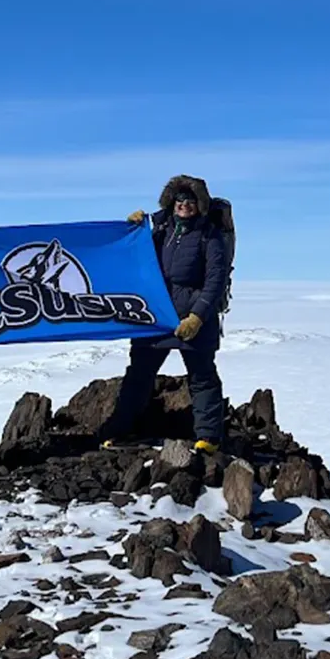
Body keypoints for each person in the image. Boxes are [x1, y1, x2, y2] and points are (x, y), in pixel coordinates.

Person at [100, 174, 228, 453]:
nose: (184, 204)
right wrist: (132, 228)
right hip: (155, 315)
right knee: (139, 375)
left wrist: (197, 317)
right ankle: (122, 431)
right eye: (179, 199)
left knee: (202, 377)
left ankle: (208, 438)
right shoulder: (158, 228)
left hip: (192, 320)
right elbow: (132, 253)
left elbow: (215, 281)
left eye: (191, 200)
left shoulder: (210, 235)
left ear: (201, 204)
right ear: (171, 201)